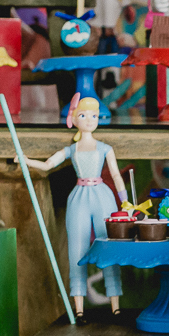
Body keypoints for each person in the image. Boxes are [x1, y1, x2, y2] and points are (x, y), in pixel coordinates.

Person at [25, 94, 125, 324]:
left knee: (108, 245)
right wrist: (27, 161)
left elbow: (117, 176)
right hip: (79, 196)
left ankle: (115, 306)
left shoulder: (105, 148)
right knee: (76, 250)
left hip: (102, 195)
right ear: (74, 119)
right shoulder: (72, 150)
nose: (90, 120)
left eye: (94, 115)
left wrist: (125, 201)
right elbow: (49, 164)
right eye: (83, 115)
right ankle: (79, 309)